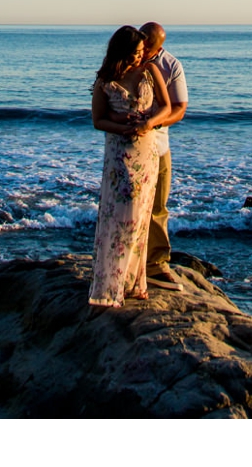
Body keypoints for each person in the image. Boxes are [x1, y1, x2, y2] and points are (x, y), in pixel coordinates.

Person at [89, 25, 171, 307]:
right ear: (121, 52)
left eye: (142, 52)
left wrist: (149, 123)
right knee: (120, 216)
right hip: (119, 155)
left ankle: (135, 282)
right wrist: (122, 127)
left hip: (146, 154)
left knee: (140, 218)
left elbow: (167, 106)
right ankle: (111, 283)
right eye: (135, 53)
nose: (140, 57)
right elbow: (98, 120)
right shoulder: (105, 80)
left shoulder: (150, 71)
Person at [138, 21, 189, 290]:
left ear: (159, 46)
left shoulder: (170, 66)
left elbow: (179, 109)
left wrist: (153, 123)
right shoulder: (127, 58)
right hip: (129, 146)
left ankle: (156, 264)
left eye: (149, 45)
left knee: (158, 206)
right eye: (141, 41)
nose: (143, 48)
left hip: (158, 146)